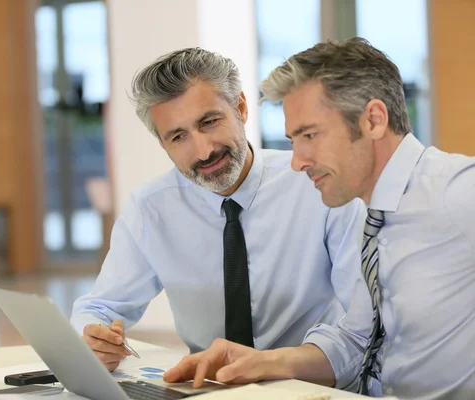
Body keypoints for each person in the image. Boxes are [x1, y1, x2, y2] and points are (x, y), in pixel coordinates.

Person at [164, 38, 475, 400]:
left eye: (310, 135)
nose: (297, 162)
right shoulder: (370, 217)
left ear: (373, 120)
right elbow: (356, 338)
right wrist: (262, 362)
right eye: (294, 140)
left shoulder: (456, 192)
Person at [70, 47, 366, 373]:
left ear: (240, 107)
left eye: (209, 122)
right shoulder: (151, 208)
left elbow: (362, 323)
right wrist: (95, 339)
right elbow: (100, 306)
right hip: (211, 387)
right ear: (163, 144)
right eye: (178, 137)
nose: (204, 151)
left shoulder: (318, 186)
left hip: (310, 386)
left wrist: (272, 366)